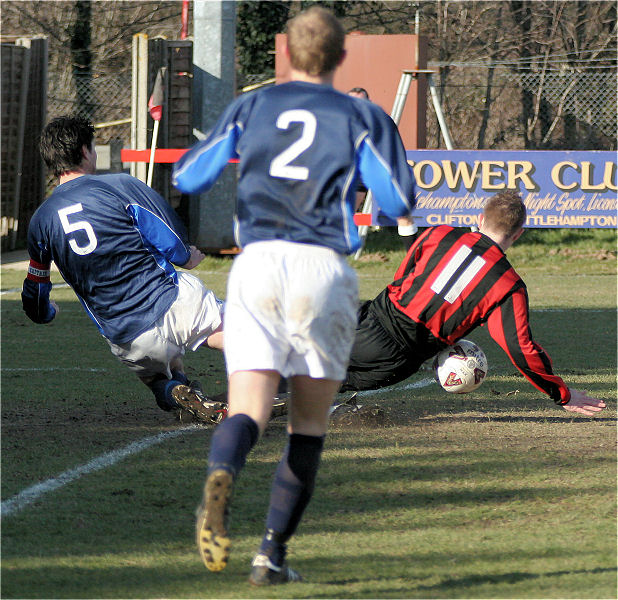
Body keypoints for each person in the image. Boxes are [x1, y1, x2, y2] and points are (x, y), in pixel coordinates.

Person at [172, 6, 416, 585]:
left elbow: (188, 176)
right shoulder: (360, 114)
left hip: (255, 265)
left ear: (287, 56)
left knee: (248, 409)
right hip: (321, 269)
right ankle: (270, 555)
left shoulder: (254, 105)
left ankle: (223, 472)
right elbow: (399, 198)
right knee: (308, 426)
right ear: (338, 57)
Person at [21, 115, 227, 425]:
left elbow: (35, 292)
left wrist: (46, 313)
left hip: (127, 335)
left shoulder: (41, 221)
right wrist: (187, 256)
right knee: (238, 331)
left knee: (158, 378)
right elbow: (165, 234)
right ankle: (276, 381)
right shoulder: (118, 186)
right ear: (85, 151)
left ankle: (179, 393)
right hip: (169, 300)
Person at [339, 190, 606, 417]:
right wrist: (562, 394)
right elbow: (520, 348)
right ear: (518, 235)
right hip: (399, 357)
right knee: (324, 380)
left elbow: (404, 274)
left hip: (369, 318)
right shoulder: (509, 285)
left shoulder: (439, 234)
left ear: (479, 219)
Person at [346, 87, 418, 251]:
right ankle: (336, 258)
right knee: (342, 211)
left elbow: (393, 152)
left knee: (403, 214)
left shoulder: (382, 122)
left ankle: (413, 260)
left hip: (382, 169)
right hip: (356, 171)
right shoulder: (342, 122)